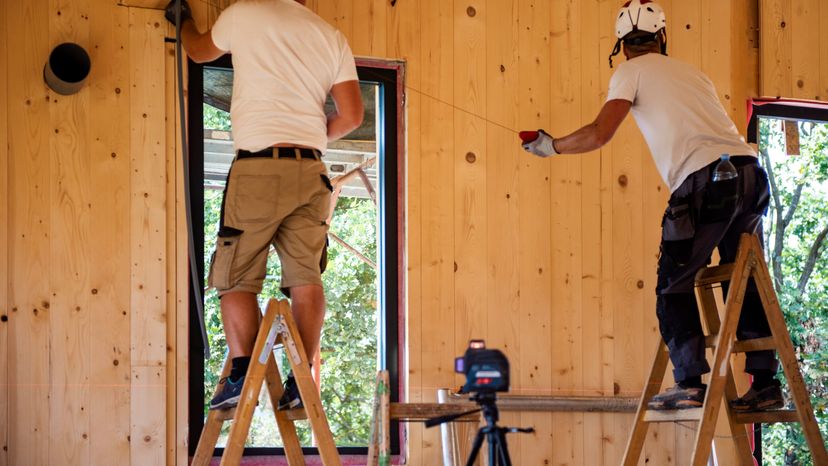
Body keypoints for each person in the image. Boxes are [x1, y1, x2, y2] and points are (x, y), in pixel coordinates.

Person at [520, 0, 782, 411]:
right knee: (741, 278)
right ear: (662, 38)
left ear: (622, 46)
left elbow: (600, 133)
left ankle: (691, 381)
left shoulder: (630, 71)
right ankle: (766, 382)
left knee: (672, 282)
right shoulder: (693, 74)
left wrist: (552, 146)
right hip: (750, 175)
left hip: (704, 183)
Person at [165, 0, 364, 410]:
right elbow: (353, 115)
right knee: (306, 276)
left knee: (235, 274)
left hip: (258, 166)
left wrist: (183, 21)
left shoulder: (244, 13)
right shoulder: (330, 35)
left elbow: (199, 51)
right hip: (311, 171)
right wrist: (313, 136)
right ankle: (299, 382)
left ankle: (241, 377)